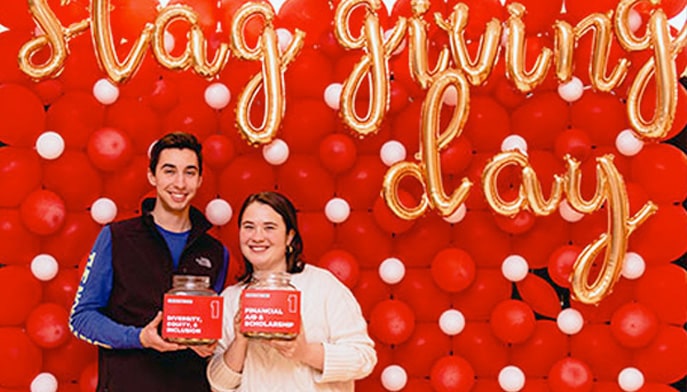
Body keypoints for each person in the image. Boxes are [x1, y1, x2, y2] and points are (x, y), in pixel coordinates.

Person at [69, 132, 229, 392]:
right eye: (169, 171)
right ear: (152, 176)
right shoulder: (116, 237)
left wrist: (208, 343)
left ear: (200, 180)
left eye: (189, 172)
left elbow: (212, 326)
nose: (180, 182)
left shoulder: (216, 251)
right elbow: (82, 318)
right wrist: (139, 337)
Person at [207, 191, 377, 392]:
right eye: (248, 227)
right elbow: (218, 385)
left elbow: (364, 358)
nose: (257, 236)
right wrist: (240, 340)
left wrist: (305, 352)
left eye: (269, 227)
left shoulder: (324, 286)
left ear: (290, 236)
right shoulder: (230, 298)